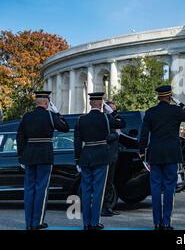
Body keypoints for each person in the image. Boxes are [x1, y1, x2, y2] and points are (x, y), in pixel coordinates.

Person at [139, 86, 185, 230]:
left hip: (155, 154)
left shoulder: (150, 112)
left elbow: (144, 135)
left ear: (158, 97)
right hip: (171, 154)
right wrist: (181, 104)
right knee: (170, 188)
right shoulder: (176, 111)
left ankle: (156, 223)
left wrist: (142, 152)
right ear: (170, 96)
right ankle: (166, 222)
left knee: (155, 188)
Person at [17, 91, 69, 230]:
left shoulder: (26, 117)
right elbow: (65, 127)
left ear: (36, 102)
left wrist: (21, 156)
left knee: (29, 189)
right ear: (46, 103)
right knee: (42, 189)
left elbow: (20, 137)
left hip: (29, 155)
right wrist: (57, 113)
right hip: (44, 155)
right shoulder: (50, 116)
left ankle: (29, 223)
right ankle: (37, 222)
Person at [74, 92, 126, 230]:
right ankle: (94, 222)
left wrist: (77, 159)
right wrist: (112, 113)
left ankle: (86, 223)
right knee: (98, 190)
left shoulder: (81, 119)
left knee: (86, 190)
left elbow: (77, 141)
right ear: (101, 104)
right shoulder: (106, 118)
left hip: (86, 156)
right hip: (101, 156)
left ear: (90, 103)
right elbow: (123, 123)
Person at [101, 100, 123, 217]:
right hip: (106, 156)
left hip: (113, 155)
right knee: (105, 183)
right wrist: (116, 135)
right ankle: (104, 207)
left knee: (110, 183)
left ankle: (108, 206)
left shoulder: (113, 121)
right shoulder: (104, 120)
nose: (114, 112)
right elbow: (105, 137)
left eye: (115, 110)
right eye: (112, 110)